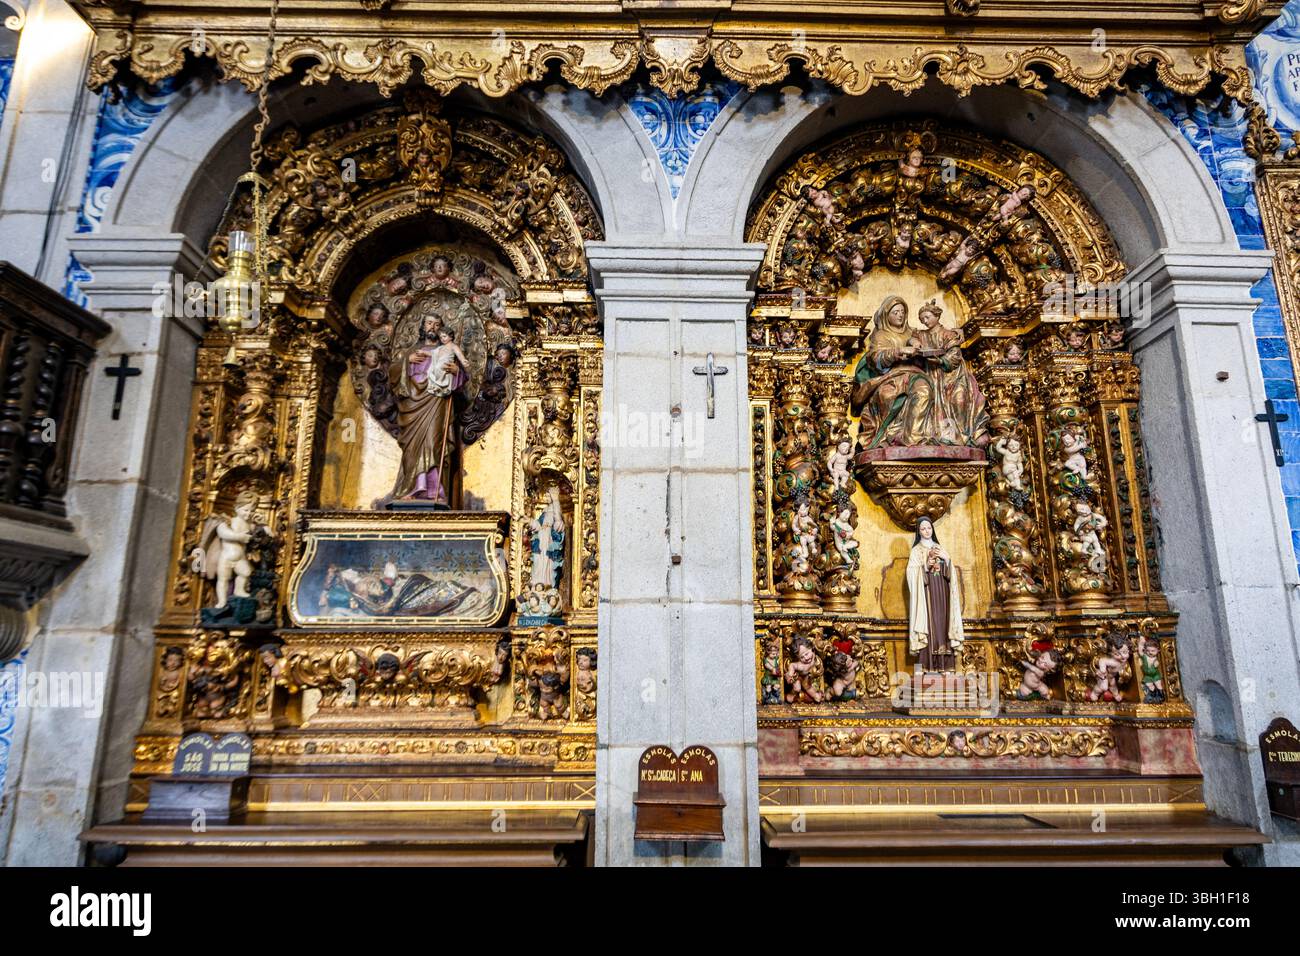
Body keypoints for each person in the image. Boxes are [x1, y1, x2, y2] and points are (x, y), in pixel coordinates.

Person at [905, 516, 964, 670]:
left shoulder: (939, 547)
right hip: (927, 594)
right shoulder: (916, 551)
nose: (927, 531)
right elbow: (911, 575)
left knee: (943, 625)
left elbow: (950, 574)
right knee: (930, 627)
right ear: (918, 531)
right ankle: (927, 667)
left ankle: (946, 667)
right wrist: (925, 566)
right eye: (923, 528)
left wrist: (947, 560)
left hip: (942, 592)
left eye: (929, 528)